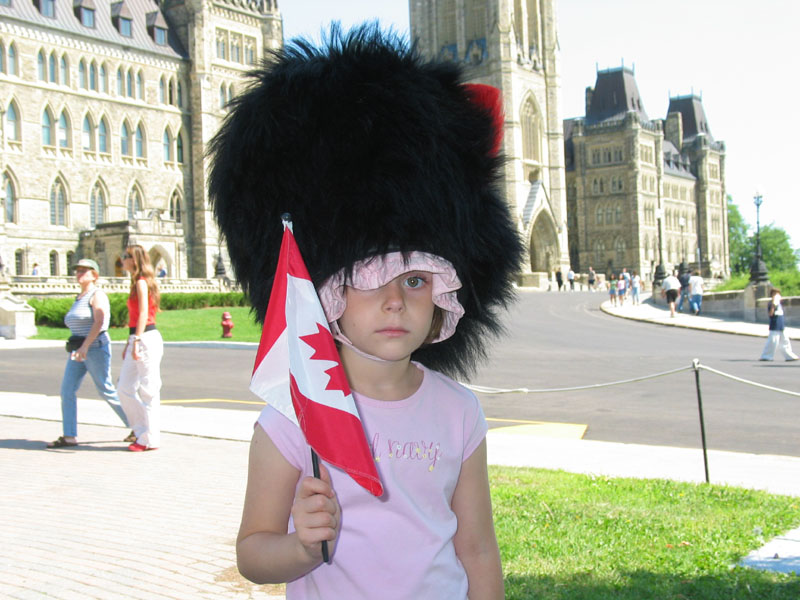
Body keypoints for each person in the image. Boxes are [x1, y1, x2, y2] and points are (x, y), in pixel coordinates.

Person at [208, 25, 516, 599]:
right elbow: (253, 552)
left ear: (446, 296)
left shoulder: (458, 414)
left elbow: (476, 547)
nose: (395, 300)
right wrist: (300, 546)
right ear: (327, 297)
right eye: (366, 280)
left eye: (416, 279)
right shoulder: (294, 416)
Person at [46, 259, 130, 448]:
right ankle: (69, 435)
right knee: (67, 390)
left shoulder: (97, 295)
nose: (80, 274)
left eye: (85, 271)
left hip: (94, 347)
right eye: (78, 270)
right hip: (78, 348)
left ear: (94, 275)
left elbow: (99, 322)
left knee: (105, 389)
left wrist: (85, 346)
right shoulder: (79, 297)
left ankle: (137, 427)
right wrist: (80, 347)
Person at [117, 245, 163, 451]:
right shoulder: (136, 283)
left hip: (145, 337)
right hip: (137, 336)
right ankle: (141, 429)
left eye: (126, 257)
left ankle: (149, 438)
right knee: (124, 388)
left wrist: (136, 341)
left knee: (148, 389)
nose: (122, 260)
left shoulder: (142, 283)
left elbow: (144, 312)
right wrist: (130, 341)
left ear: (135, 260)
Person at [759, 288, 799, 361]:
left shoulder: (779, 304)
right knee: (773, 341)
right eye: (774, 294)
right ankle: (766, 356)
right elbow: (770, 314)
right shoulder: (771, 303)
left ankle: (789, 356)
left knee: (785, 341)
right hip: (774, 325)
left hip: (781, 325)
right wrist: (774, 305)